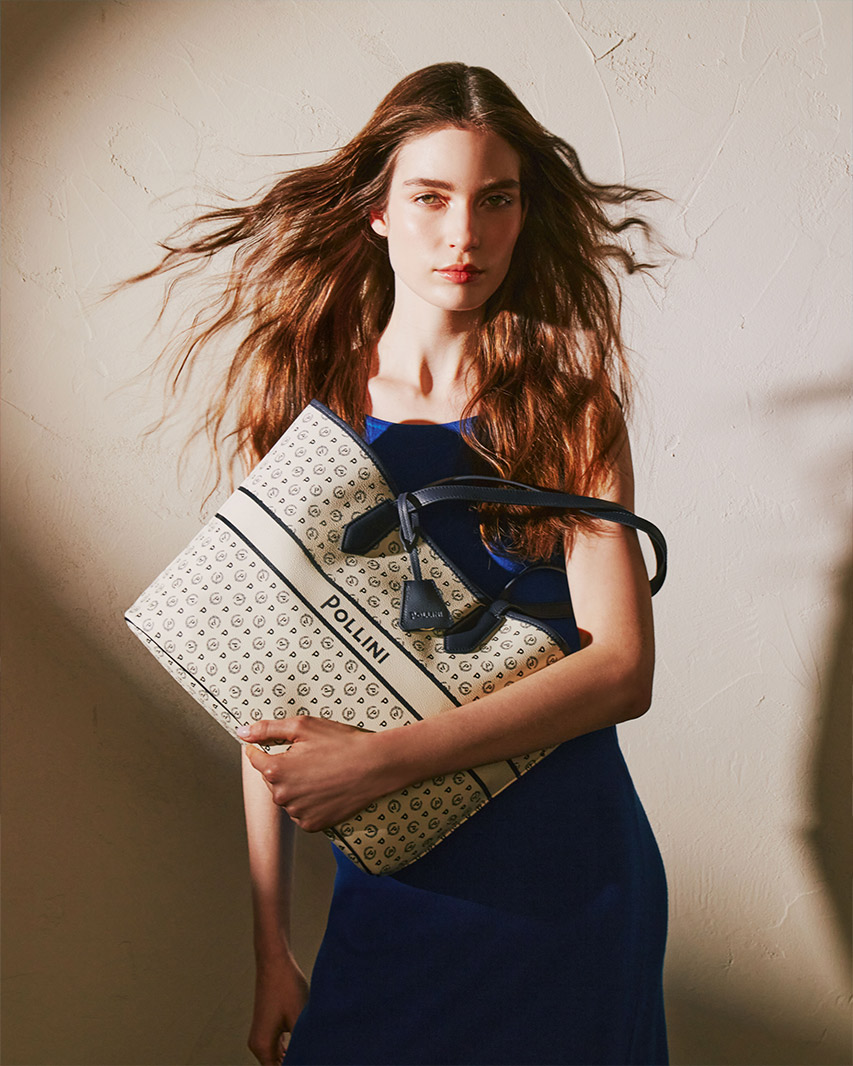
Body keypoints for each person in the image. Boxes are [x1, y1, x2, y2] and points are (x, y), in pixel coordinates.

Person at [130, 62, 670, 1066]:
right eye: (430, 198)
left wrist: (375, 762)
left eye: (495, 199)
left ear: (523, 214)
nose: (464, 233)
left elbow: (620, 671)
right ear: (378, 210)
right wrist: (271, 950)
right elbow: (270, 697)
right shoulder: (307, 409)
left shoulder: (568, 409)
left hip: (572, 878)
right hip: (396, 885)